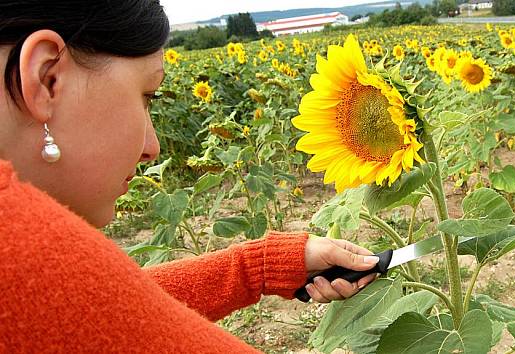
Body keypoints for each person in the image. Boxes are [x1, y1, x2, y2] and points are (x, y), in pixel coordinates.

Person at [0, 1, 377, 352]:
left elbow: (101, 308)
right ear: (47, 78)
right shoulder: (17, 252)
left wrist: (257, 267)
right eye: (147, 96)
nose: (153, 146)